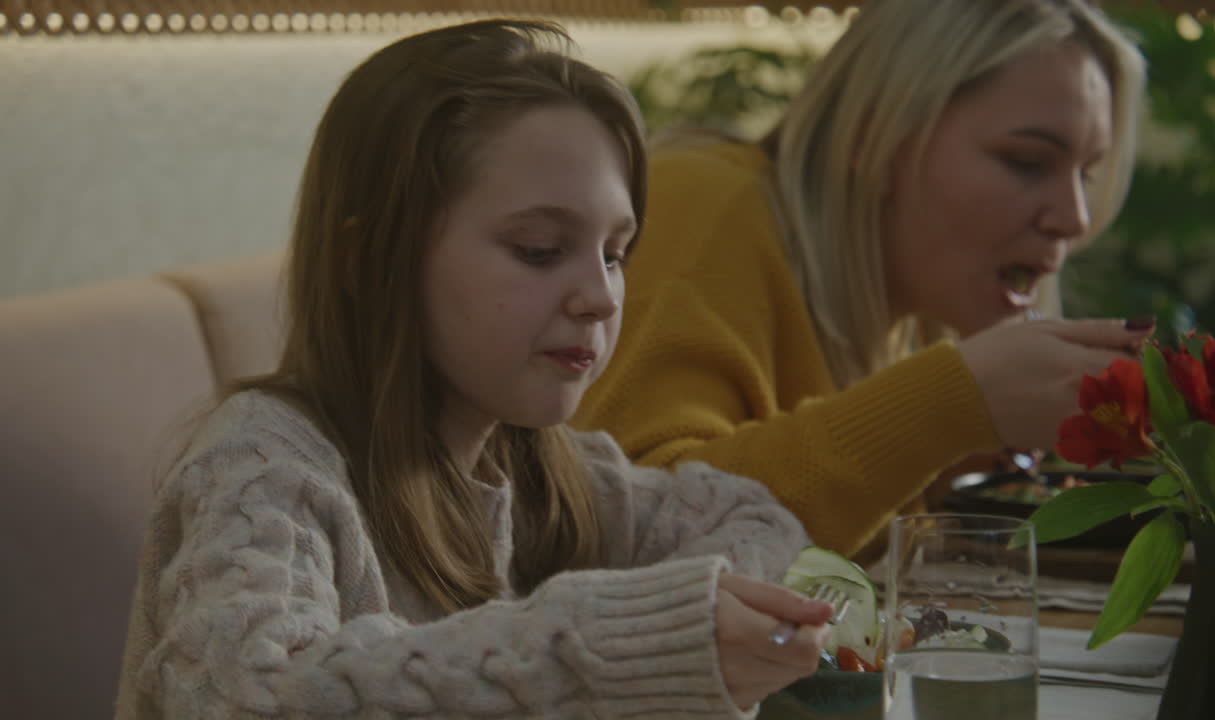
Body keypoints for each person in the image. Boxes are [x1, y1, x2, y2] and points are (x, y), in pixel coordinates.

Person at [114, 20, 833, 719]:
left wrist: (693, 623)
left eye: (614, 252)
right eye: (541, 249)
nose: (602, 295)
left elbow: (756, 518)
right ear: (371, 262)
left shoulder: (544, 472)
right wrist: (600, 645)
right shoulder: (262, 464)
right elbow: (254, 698)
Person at [573, 0, 1155, 561]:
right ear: (874, 136)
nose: (1076, 218)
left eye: (1087, 173)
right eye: (1027, 161)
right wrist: (941, 407)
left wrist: (947, 462)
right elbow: (634, 536)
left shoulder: (907, 308)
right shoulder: (705, 204)